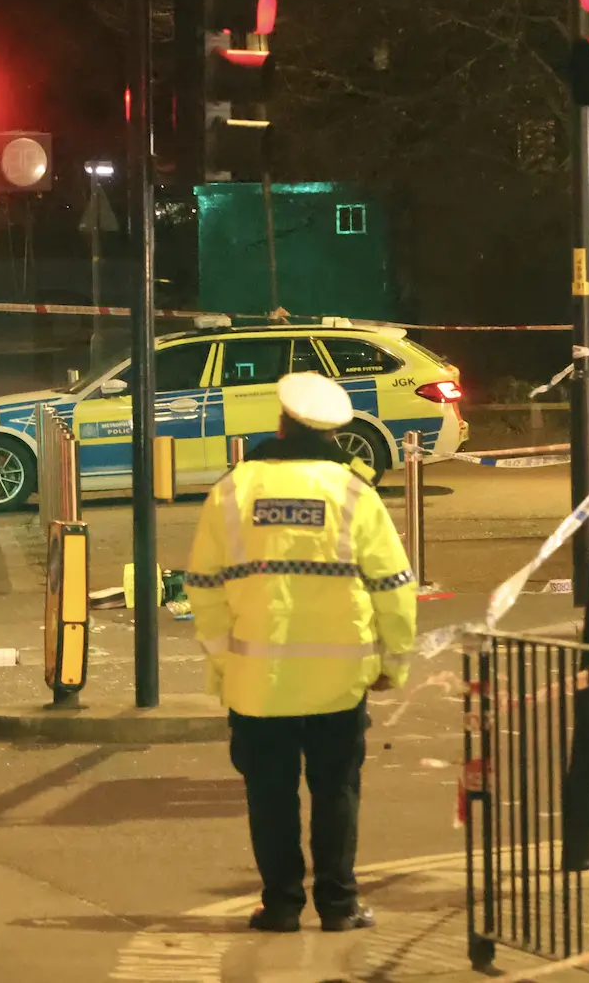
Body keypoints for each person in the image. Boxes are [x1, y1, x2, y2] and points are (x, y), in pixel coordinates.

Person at [185, 372, 418, 935]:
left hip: (257, 682)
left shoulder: (233, 490)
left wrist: (224, 664)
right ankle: (338, 906)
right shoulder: (354, 493)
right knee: (336, 790)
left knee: (269, 797)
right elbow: (394, 589)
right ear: (334, 435)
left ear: (280, 426)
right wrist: (393, 663)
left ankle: (281, 905)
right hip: (338, 681)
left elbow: (204, 589)